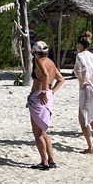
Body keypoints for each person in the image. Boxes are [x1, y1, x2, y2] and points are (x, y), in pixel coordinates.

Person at [27, 41, 64, 170]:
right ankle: (51, 159)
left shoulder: (39, 61)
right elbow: (61, 79)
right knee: (43, 131)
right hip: (47, 96)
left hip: (39, 97)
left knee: (37, 132)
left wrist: (43, 92)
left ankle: (44, 162)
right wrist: (51, 92)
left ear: (36, 52)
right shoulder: (51, 62)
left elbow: (45, 75)